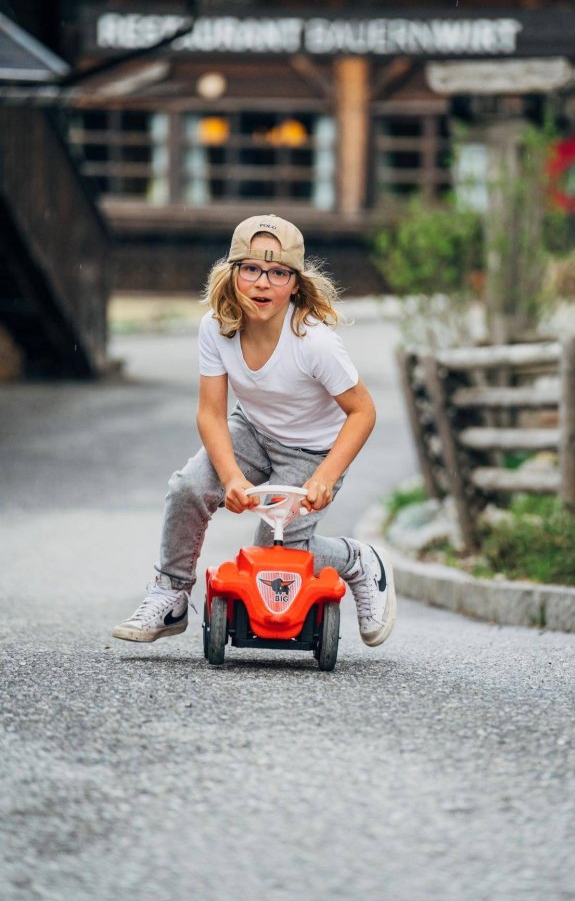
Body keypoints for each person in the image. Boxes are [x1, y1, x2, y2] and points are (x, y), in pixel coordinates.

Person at [112, 214, 397, 648]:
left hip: (311, 452)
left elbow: (363, 411)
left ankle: (358, 560)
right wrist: (231, 478)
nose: (263, 283)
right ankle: (171, 593)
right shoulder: (216, 327)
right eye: (251, 269)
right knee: (188, 487)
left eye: (278, 273)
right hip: (252, 430)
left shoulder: (314, 342)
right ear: (233, 273)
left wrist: (324, 476)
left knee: (277, 554)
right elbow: (211, 413)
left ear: (296, 284)